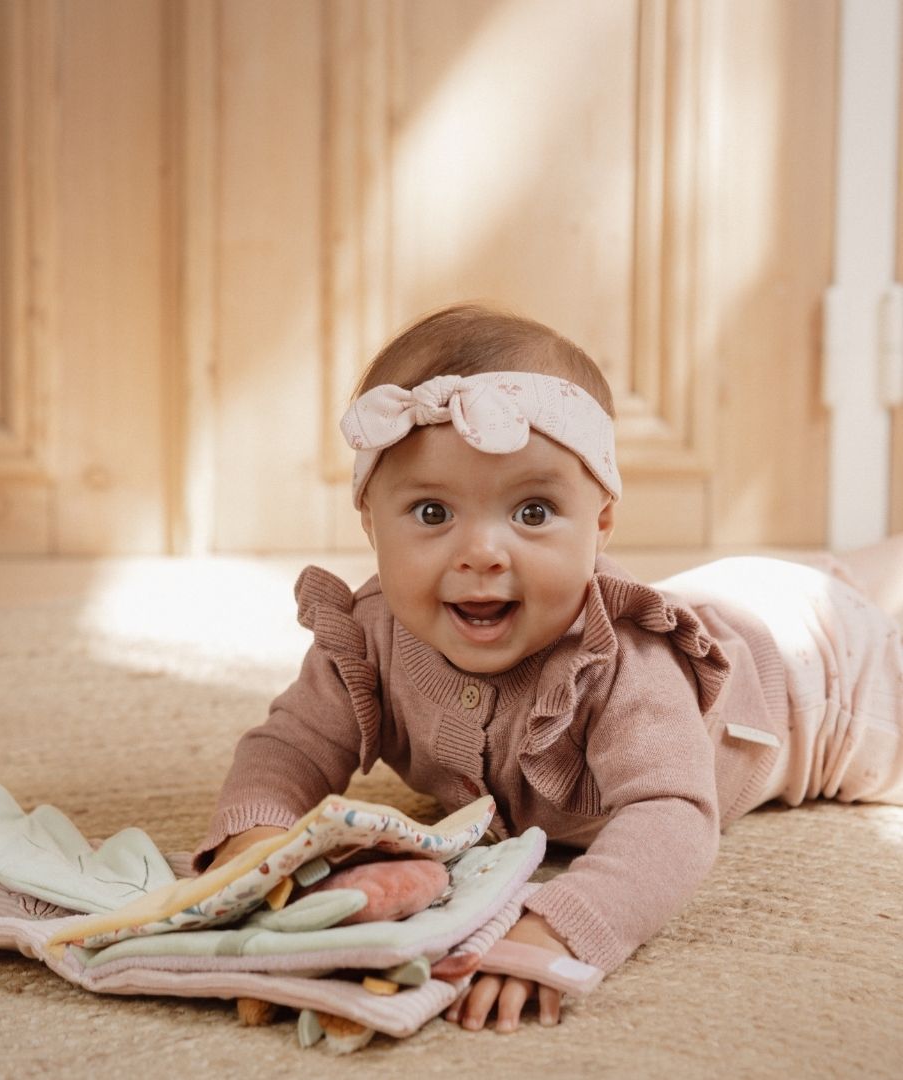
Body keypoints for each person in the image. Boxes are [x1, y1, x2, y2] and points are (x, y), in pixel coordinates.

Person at [194, 303, 903, 1034]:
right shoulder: (368, 635)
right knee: (837, 578)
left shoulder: (624, 663)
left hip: (821, 685)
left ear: (600, 526)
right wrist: (256, 837)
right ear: (370, 520)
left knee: (847, 609)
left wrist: (560, 925)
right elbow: (290, 745)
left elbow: (675, 816)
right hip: (740, 597)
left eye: (532, 512)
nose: (483, 553)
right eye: (433, 513)